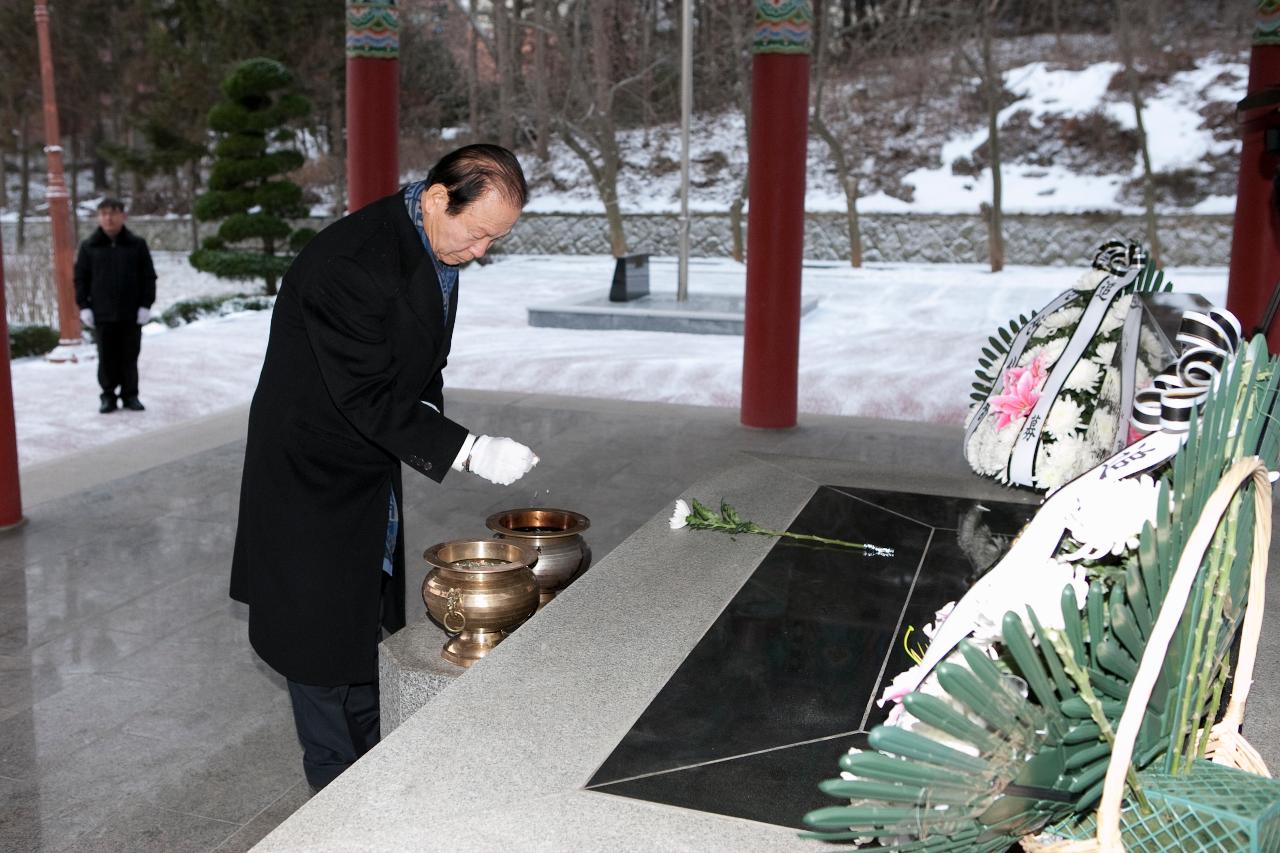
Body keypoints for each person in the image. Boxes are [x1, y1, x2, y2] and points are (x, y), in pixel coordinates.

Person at [230, 144, 540, 792]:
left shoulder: (431, 245)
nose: (482, 251)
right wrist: (468, 448)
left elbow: (421, 371)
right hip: (310, 474)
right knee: (315, 643)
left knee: (362, 623)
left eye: (495, 240)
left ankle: (373, 764)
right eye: (478, 232)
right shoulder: (351, 263)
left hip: (367, 464)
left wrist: (429, 417)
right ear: (434, 198)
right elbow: (366, 393)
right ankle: (336, 798)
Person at [74, 198, 157, 413]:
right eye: (103, 214)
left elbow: (148, 276)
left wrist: (145, 305)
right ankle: (108, 396)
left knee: (130, 357)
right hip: (102, 314)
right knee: (107, 358)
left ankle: (130, 395)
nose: (108, 218)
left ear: (123, 216)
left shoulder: (136, 244)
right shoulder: (89, 246)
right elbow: (80, 279)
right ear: (98, 217)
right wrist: (84, 306)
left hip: (131, 314)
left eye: (112, 213)